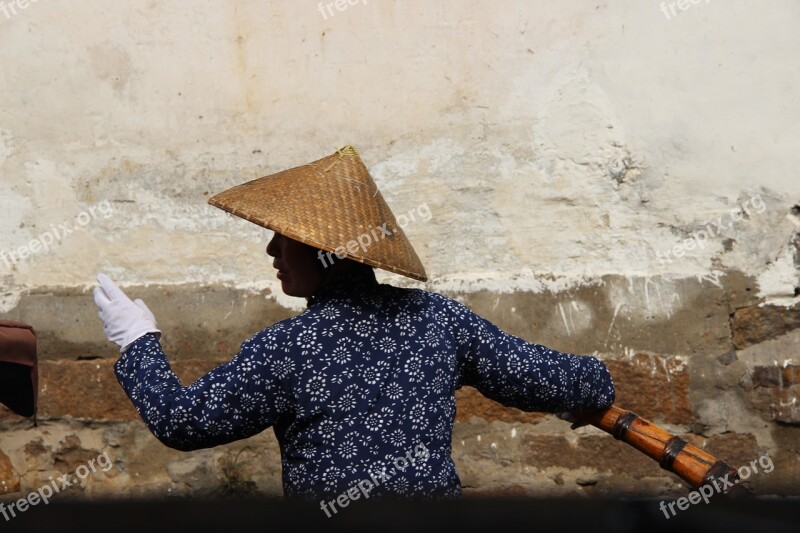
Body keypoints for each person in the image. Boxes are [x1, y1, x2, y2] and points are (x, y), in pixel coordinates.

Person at [94, 145, 615, 506]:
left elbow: (184, 423)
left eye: (285, 238)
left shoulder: (288, 348)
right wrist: (592, 387)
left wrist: (138, 341)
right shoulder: (438, 320)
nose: (272, 249)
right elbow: (558, 379)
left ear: (326, 254)